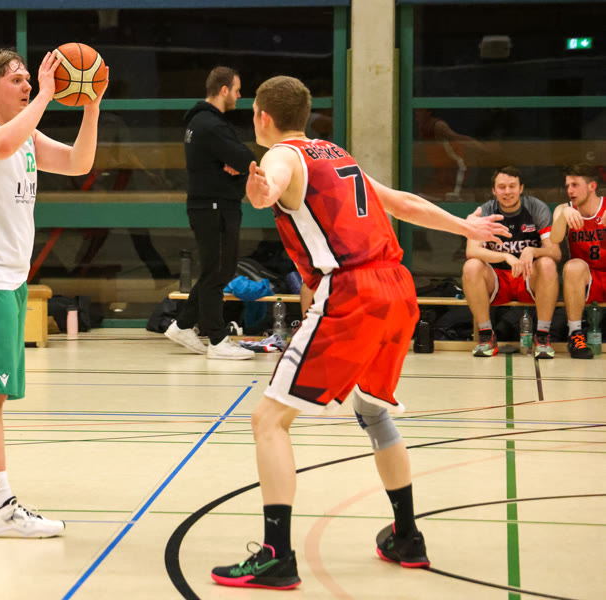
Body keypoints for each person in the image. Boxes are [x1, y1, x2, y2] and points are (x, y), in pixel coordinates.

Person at [209, 76, 509, 590]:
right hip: (397, 289)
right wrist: (466, 226)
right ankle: (407, 536)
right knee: (373, 411)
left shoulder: (283, 155)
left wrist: (264, 191)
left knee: (268, 421)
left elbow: (273, 180)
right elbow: (402, 202)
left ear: (262, 116)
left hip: (352, 292)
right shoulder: (336, 154)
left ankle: (276, 556)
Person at [0, 49, 105, 538]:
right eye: (18, 79)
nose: (29, 85)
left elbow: (78, 162)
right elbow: (2, 144)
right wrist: (50, 93)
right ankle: (0, 507)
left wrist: (91, 105)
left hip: (8, 277)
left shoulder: (25, 134)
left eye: (30, 79)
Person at [165, 66, 257, 360]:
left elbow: (240, 161)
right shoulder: (210, 125)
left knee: (217, 271)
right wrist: (238, 165)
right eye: (237, 90)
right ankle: (217, 340)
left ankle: (182, 325)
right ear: (224, 90)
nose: (239, 96)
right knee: (217, 272)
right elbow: (246, 159)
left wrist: (237, 165)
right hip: (214, 206)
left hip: (213, 206)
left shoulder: (201, 122)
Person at [462, 166, 560, 358]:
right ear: (494, 190)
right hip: (497, 279)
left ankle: (542, 337)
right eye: (502, 187)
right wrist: (505, 256)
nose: (507, 191)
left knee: (547, 263)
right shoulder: (486, 211)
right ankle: (486, 336)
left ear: (521, 188)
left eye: (512, 186)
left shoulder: (536, 208)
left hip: (528, 276)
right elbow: (471, 250)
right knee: (471, 266)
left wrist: (532, 250)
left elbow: (555, 252)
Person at [549, 163, 606, 359]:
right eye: (567, 186)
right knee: (573, 266)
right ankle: (575, 335)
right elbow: (555, 238)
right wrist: (563, 216)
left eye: (575, 185)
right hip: (586, 279)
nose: (570, 190)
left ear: (592, 186)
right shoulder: (564, 209)